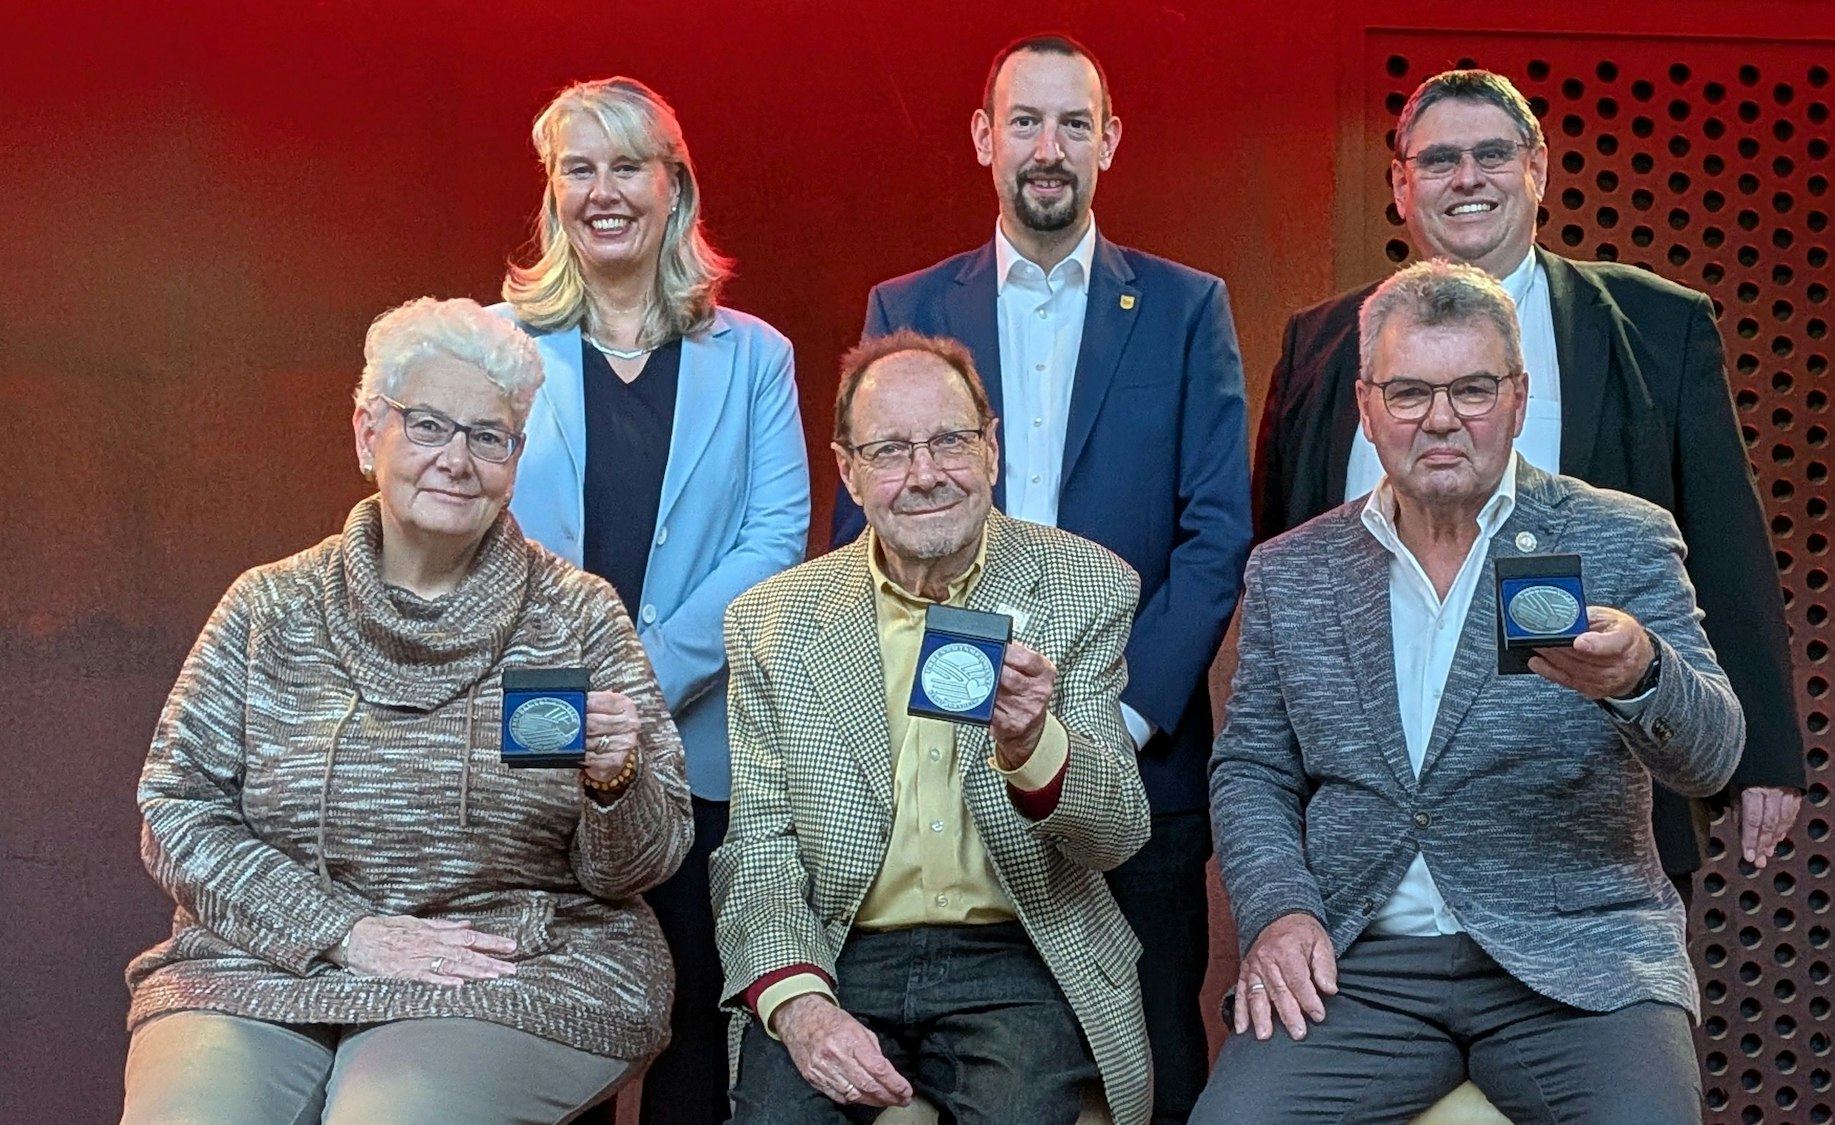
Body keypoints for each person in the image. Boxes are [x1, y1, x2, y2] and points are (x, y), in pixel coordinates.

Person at [120, 297, 694, 1125]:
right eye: (427, 425)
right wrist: (344, 932)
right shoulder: (267, 607)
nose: (456, 459)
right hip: (266, 962)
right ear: (367, 435)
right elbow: (177, 811)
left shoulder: (578, 615)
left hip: (514, 963)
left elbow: (640, 864)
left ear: (515, 457)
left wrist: (616, 782)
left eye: (488, 436)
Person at [1196, 261, 1744, 1123]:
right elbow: (1253, 769)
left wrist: (1640, 676)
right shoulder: (1291, 569)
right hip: (1359, 964)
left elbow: (1714, 757)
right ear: (1366, 405)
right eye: (1410, 392)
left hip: (1577, 959)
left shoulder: (1618, 536)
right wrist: (1279, 910)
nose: (1442, 418)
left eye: (1474, 389)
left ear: (1519, 399)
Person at [1252, 67, 1802, 899]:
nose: (1466, 178)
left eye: (1491, 154)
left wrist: (1763, 751)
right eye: (1437, 161)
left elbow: (1725, 541)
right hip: (1375, 822)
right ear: (1401, 187)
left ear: (1537, 169)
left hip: (1594, 805)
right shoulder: (1324, 343)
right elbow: (1283, 544)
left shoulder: (1658, 325)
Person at [830, 38, 1250, 1119]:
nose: (1047, 148)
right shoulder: (907, 307)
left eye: (1072, 124)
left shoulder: (1184, 306)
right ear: (983, 139)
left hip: (1137, 755)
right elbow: (861, 526)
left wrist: (1124, 714)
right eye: (1024, 122)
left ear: (1108, 142)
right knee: (974, 1070)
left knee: (1148, 1061)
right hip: (940, 750)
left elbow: (1214, 537)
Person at [716, 330, 1153, 1125]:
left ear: (990, 449)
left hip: (1020, 948)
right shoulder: (771, 622)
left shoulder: (1087, 584)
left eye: (949, 440)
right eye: (889, 450)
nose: (925, 475)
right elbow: (760, 849)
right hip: (843, 949)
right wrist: (800, 1005)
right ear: (848, 470)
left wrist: (1033, 747)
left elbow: (1117, 829)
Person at [499, 77, 810, 1124]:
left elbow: (775, 543)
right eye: (577, 169)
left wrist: (642, 675)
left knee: (692, 1045)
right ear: (552, 193)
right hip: (539, 730)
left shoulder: (755, 356)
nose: (603, 192)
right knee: (552, 1029)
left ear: (672, 187)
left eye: (626, 165)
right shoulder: (496, 350)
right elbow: (466, 533)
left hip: (706, 748)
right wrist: (585, 697)